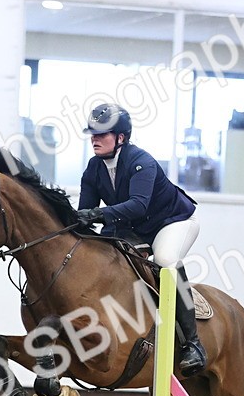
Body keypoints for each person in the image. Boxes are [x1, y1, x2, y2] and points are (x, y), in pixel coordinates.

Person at [76, 103, 207, 377]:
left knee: (165, 259)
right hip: (132, 227)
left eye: (102, 134)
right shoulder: (93, 167)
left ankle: (193, 345)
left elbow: (138, 206)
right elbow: (84, 216)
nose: (94, 139)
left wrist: (98, 213)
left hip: (173, 221)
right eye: (93, 134)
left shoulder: (142, 162)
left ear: (121, 138)